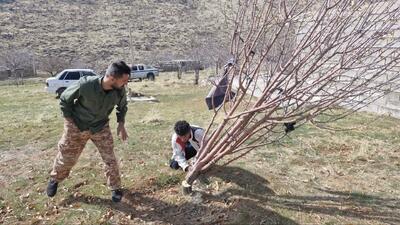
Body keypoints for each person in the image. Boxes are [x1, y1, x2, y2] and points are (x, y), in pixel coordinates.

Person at [46, 61, 130, 203]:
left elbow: (122, 107)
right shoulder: (86, 84)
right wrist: (69, 122)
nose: (126, 83)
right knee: (68, 156)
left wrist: (121, 124)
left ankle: (115, 187)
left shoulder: (119, 91)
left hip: (100, 127)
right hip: (78, 125)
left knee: (110, 158)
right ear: (112, 78)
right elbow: (65, 99)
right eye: (124, 80)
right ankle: (55, 179)